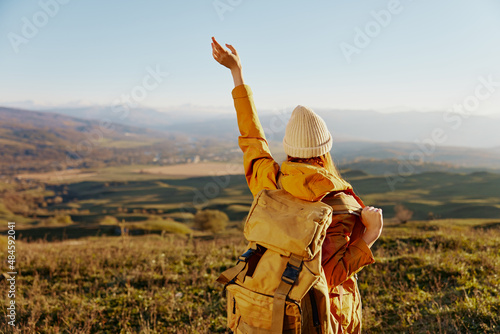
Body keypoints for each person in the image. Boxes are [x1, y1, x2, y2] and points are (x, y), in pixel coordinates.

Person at [211, 36, 383, 333]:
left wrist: (236, 73)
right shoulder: (340, 204)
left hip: (271, 308)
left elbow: (252, 140)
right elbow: (328, 275)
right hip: (319, 318)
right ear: (326, 149)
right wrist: (370, 235)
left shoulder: (271, 183)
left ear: (289, 148)